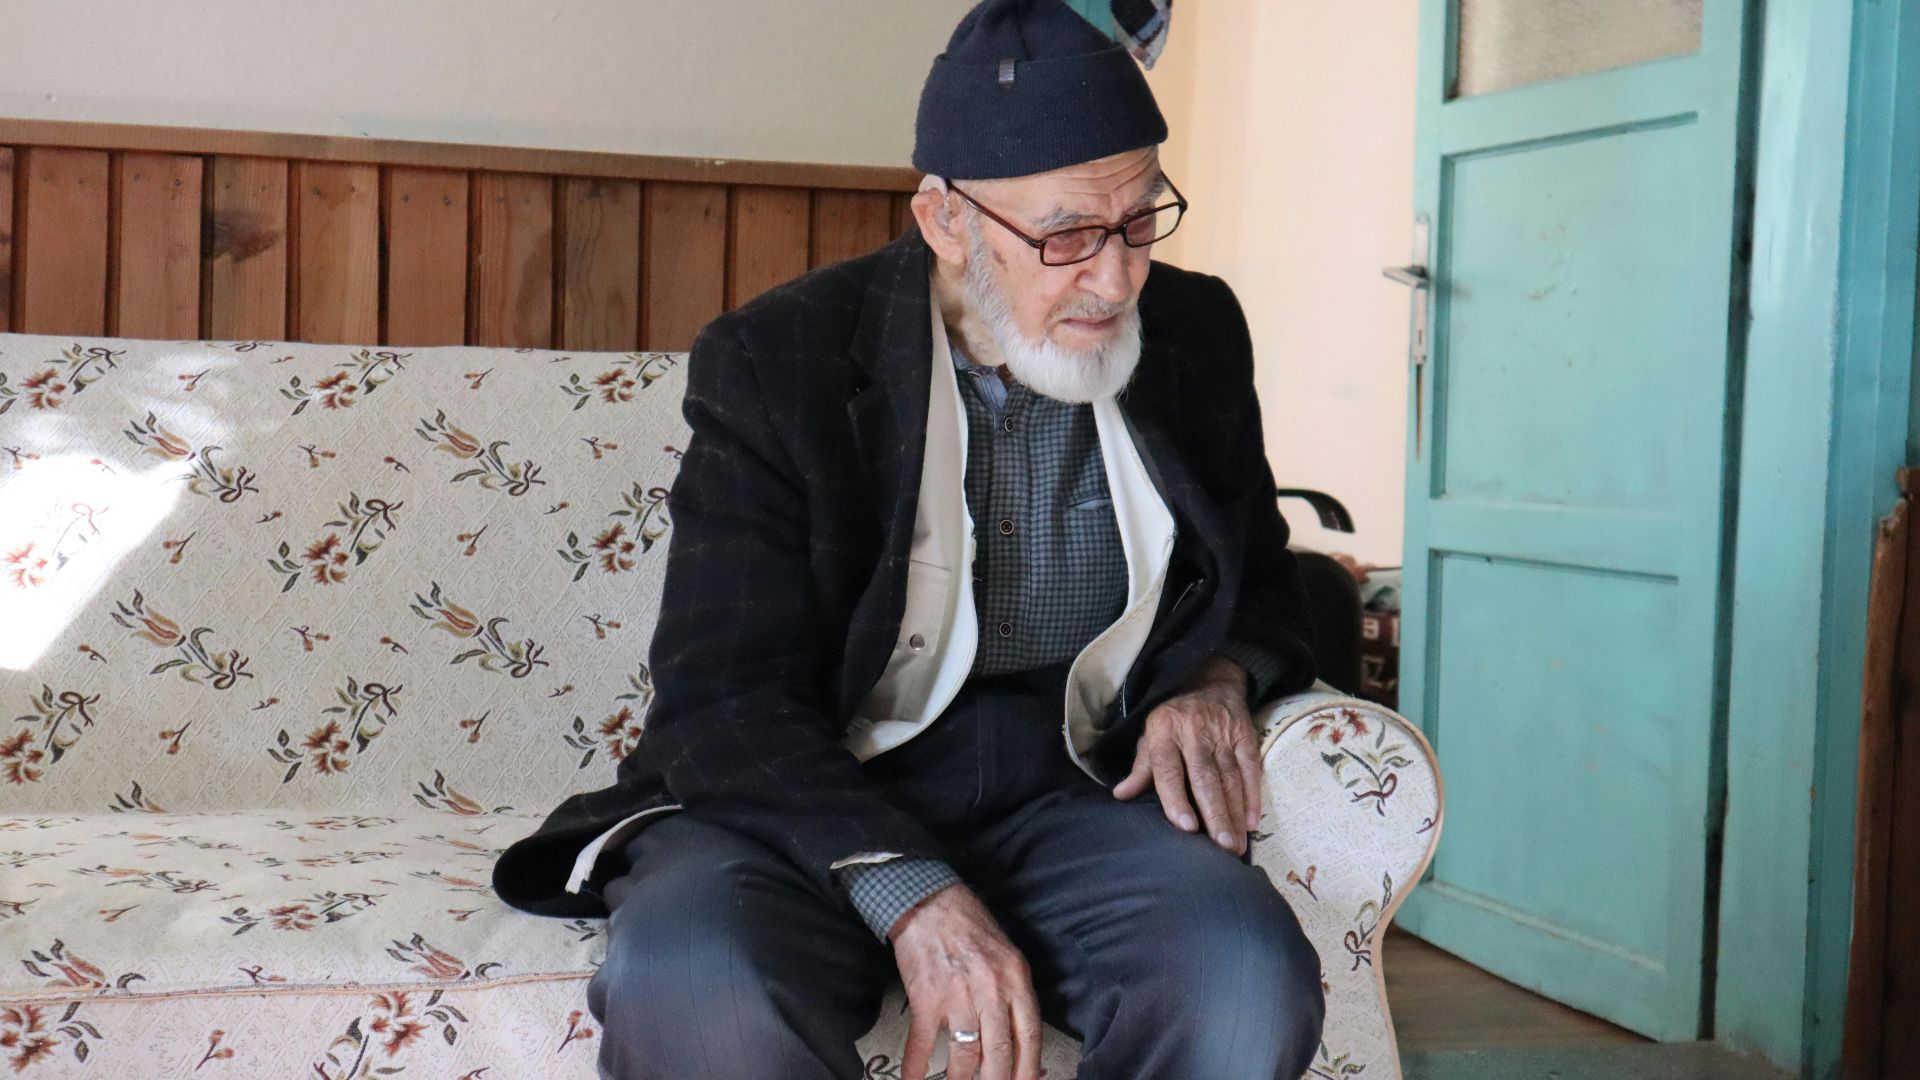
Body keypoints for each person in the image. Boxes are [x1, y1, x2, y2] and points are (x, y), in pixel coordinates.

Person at [491, 1, 1327, 1076]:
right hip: (805, 796)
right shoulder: (778, 358)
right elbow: (722, 698)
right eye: (1066, 235)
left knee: (1241, 977)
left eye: (1138, 221)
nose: (1116, 280)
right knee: (700, 987)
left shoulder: (1195, 328)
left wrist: (1214, 679)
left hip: (1071, 791)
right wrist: (913, 891)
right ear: (945, 223)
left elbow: (1265, 583)